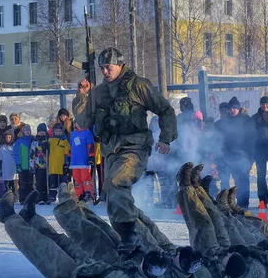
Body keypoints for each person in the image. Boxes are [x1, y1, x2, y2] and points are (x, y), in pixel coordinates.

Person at [73, 47, 177, 254]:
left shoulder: (138, 86)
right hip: (111, 151)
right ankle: (135, 238)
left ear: (120, 65)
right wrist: (83, 97)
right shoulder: (99, 92)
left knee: (115, 184)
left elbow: (165, 110)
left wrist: (165, 138)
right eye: (102, 68)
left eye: (108, 67)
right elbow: (83, 121)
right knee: (112, 197)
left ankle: (129, 234)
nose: (105, 72)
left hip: (135, 148)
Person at [0, 190, 168, 278]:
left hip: (72, 276)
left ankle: (9, 217)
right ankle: (31, 217)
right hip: (90, 266)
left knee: (41, 248)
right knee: (61, 241)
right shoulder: (148, 277)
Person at [214, 96, 253, 208]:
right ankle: (225, 202)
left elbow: (251, 140)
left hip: (242, 157)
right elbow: (216, 139)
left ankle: (243, 203)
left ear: (239, 108)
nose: (232, 110)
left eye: (235, 108)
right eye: (230, 108)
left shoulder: (246, 121)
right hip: (225, 156)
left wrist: (250, 158)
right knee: (225, 180)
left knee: (242, 181)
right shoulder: (222, 123)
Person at [69, 121, 95, 202]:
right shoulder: (73, 134)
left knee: (85, 178)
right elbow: (71, 147)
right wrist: (68, 158)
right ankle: (80, 194)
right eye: (77, 123)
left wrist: (91, 157)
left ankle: (88, 193)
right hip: (74, 161)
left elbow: (90, 146)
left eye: (81, 122)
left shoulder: (87, 133)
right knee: (77, 178)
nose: (79, 125)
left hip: (84, 161)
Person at [47, 123, 70, 203]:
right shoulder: (50, 140)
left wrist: (66, 163)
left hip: (62, 165)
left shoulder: (65, 141)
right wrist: (45, 147)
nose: (58, 132)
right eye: (56, 131)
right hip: (52, 166)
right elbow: (45, 152)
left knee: (63, 182)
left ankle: (63, 195)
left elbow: (67, 153)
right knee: (53, 182)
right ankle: (52, 195)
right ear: (54, 132)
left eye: (60, 131)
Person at [13, 125, 34, 204]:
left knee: (31, 183)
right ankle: (22, 198)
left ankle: (30, 198)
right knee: (22, 183)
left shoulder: (33, 139)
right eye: (26, 130)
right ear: (23, 132)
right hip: (22, 166)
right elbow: (16, 153)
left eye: (29, 130)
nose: (27, 132)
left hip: (31, 166)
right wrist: (18, 164)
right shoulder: (19, 141)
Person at [30, 123, 50, 205]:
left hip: (47, 166)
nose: (42, 133)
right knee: (39, 183)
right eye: (40, 131)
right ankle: (40, 197)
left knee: (46, 182)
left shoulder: (48, 141)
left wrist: (48, 147)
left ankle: (46, 197)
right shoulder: (35, 142)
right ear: (37, 132)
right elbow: (32, 154)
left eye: (43, 131)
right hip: (38, 166)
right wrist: (32, 166)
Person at [0, 129, 17, 197]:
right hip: (5, 168)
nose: (8, 139)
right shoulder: (2, 148)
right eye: (6, 137)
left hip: (13, 169)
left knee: (14, 184)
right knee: (6, 185)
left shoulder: (15, 146)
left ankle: (15, 197)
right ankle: (7, 196)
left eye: (9, 137)